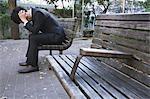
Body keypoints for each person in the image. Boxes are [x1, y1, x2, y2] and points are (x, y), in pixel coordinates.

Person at [11, 7, 65, 73]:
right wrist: (26, 21)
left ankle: (33, 65)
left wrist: (25, 21)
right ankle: (29, 61)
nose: (22, 22)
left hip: (57, 37)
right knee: (32, 37)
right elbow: (34, 31)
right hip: (54, 34)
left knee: (34, 38)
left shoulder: (38, 14)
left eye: (21, 21)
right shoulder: (35, 13)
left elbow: (35, 31)